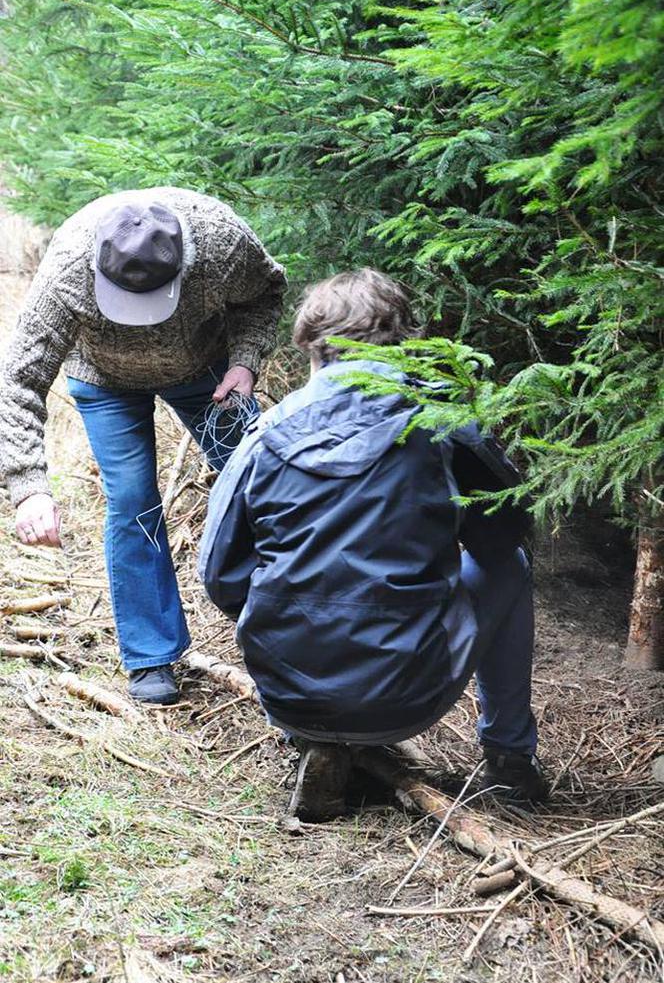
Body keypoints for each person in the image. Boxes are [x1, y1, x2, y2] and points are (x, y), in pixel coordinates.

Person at [199, 268, 548, 820]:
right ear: (406, 344)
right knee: (512, 568)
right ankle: (510, 759)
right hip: (406, 694)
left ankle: (315, 737)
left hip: (290, 696)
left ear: (312, 350)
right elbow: (502, 537)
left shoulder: (265, 435)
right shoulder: (439, 421)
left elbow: (219, 577)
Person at [0, 186, 286, 705]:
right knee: (132, 502)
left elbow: (265, 292)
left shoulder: (221, 241)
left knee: (264, 485)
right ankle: (152, 656)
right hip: (104, 381)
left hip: (210, 372)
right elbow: (17, 381)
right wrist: (29, 488)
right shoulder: (66, 268)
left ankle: (286, 630)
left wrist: (245, 360)